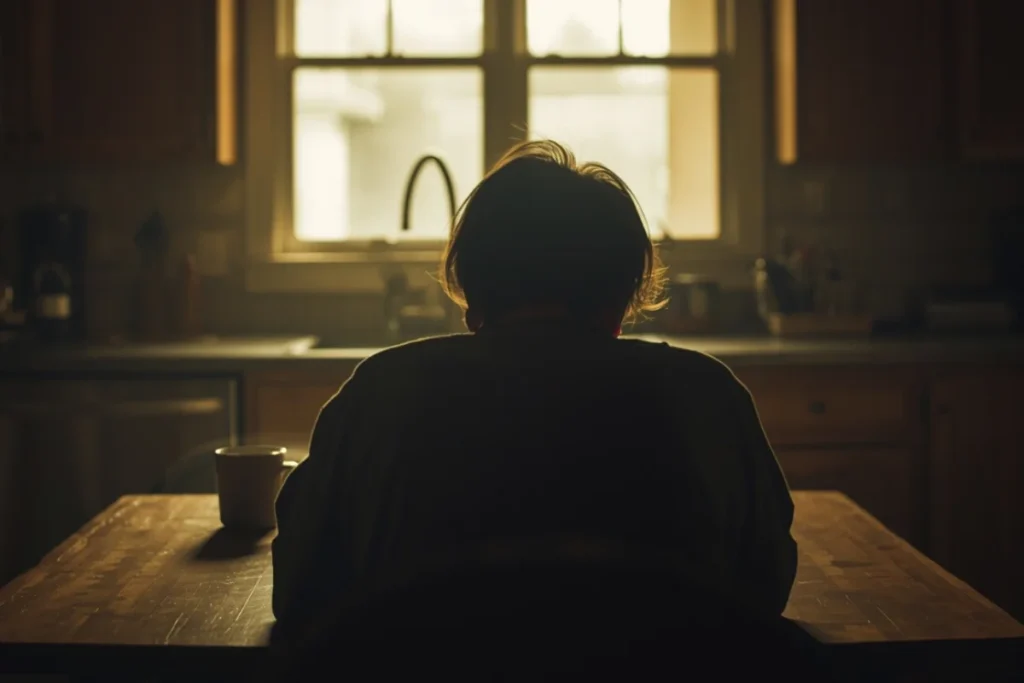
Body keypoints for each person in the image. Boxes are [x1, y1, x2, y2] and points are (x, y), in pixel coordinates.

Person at [270, 140, 797, 642]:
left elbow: (301, 592)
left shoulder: (379, 392)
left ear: (472, 298)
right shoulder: (706, 397)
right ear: (619, 307)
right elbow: (764, 587)